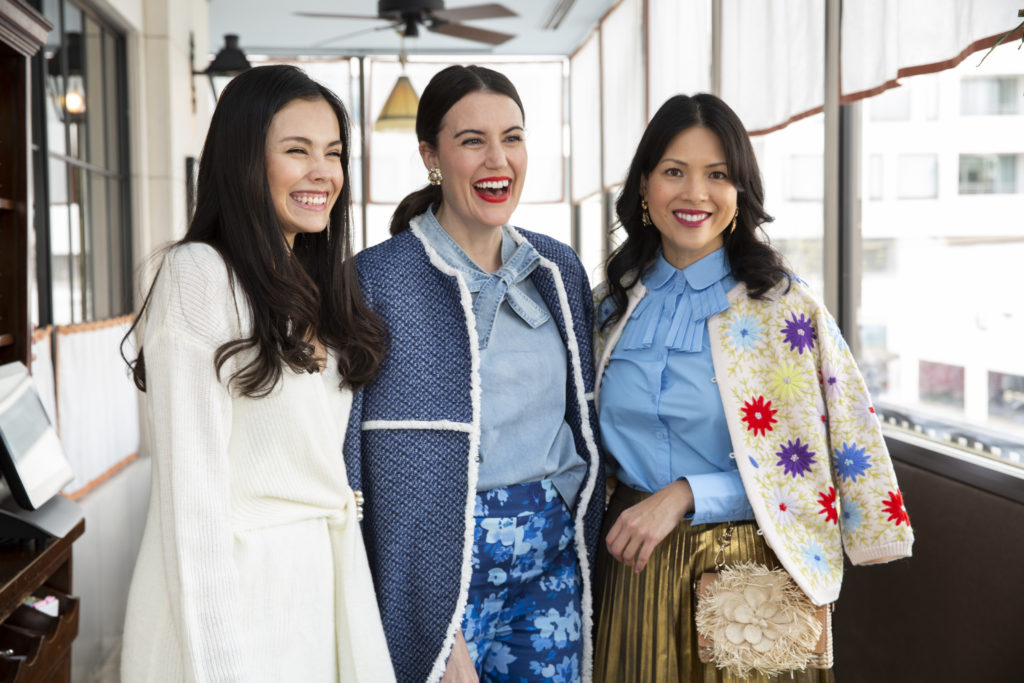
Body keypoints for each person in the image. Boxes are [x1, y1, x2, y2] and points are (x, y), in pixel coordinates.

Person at [591, 94, 915, 682]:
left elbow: (807, 470)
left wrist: (688, 493)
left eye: (718, 175)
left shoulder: (781, 309)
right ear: (644, 187)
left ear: (740, 193)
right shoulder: (611, 307)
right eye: (674, 172)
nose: (695, 194)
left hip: (748, 571)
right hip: (632, 567)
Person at [120, 65, 394, 682]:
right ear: (245, 162)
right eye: (297, 151)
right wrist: (217, 665)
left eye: (334, 153)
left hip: (317, 591)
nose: (323, 172)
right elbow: (192, 504)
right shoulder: (199, 275)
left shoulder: (317, 288)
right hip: (236, 600)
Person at [345, 65, 604, 683]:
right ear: (431, 156)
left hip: (550, 563)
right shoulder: (374, 279)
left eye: (512, 138)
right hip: (434, 567)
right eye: (472, 141)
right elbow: (351, 459)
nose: (499, 159)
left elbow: (585, 417)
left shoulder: (557, 269)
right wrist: (423, 613)